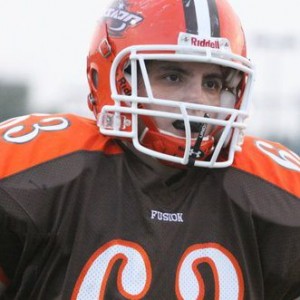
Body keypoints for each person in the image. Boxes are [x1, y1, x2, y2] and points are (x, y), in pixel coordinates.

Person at [0, 0, 299, 298]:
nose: (199, 101)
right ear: (110, 77)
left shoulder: (273, 190)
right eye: (173, 77)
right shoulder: (40, 170)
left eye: (212, 83)